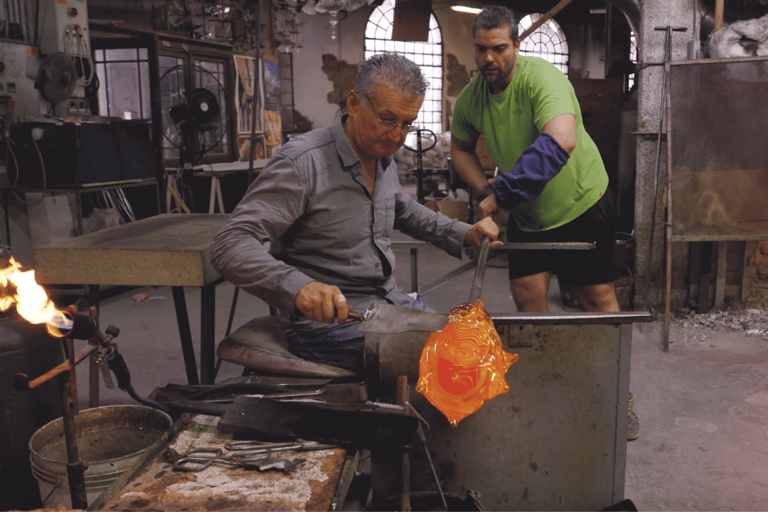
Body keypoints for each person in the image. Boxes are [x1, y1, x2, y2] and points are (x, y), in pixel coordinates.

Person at [211, 52, 502, 374]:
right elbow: (230, 244)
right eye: (387, 118)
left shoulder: (381, 155)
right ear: (354, 103)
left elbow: (403, 210)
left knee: (475, 347)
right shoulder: (303, 163)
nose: (396, 136)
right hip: (332, 324)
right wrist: (299, 287)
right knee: (450, 366)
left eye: (407, 123)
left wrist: (463, 232)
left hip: (389, 303)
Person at [449, 6, 638, 439]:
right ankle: (551, 384)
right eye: (481, 49)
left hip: (580, 203)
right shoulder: (472, 99)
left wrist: (502, 194)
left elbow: (561, 141)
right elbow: (460, 148)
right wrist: (482, 187)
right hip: (531, 215)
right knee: (527, 298)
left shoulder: (542, 79)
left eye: (499, 48)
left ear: (516, 44)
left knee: (596, 298)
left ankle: (618, 395)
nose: (489, 58)